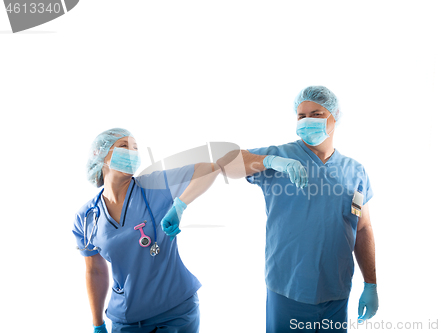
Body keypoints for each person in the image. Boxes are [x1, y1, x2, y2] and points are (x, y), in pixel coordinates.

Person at [216, 86, 378, 332]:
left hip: (336, 292)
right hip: (288, 290)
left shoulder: (355, 170)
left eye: (316, 114)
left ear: (335, 116)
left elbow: (363, 228)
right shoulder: (280, 156)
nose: (307, 121)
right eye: (301, 116)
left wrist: (371, 284)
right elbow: (225, 163)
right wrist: (270, 161)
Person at [73, 128, 220, 333]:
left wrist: (180, 206)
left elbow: (210, 169)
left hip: (178, 309)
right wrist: (98, 324)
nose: (132, 153)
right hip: (128, 319)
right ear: (99, 154)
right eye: (123, 146)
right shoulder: (87, 217)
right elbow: (95, 271)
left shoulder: (154, 184)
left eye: (135, 148)